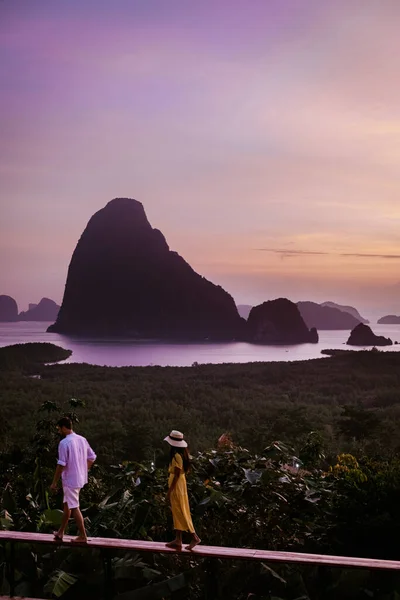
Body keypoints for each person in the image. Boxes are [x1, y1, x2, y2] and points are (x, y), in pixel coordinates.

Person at [50, 416, 96, 543]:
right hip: (79, 478)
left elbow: (61, 464)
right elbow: (92, 457)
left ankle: (83, 536)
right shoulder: (82, 439)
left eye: (59, 429)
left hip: (70, 480)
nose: (59, 431)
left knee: (74, 507)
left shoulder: (64, 443)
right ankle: (61, 532)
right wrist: (83, 469)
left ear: (64, 427)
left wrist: (54, 482)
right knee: (67, 506)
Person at [164, 430, 201, 551]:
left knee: (181, 510)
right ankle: (178, 539)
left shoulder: (176, 456)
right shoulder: (182, 455)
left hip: (177, 486)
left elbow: (176, 474)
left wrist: (169, 491)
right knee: (178, 510)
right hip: (181, 484)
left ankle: (194, 536)